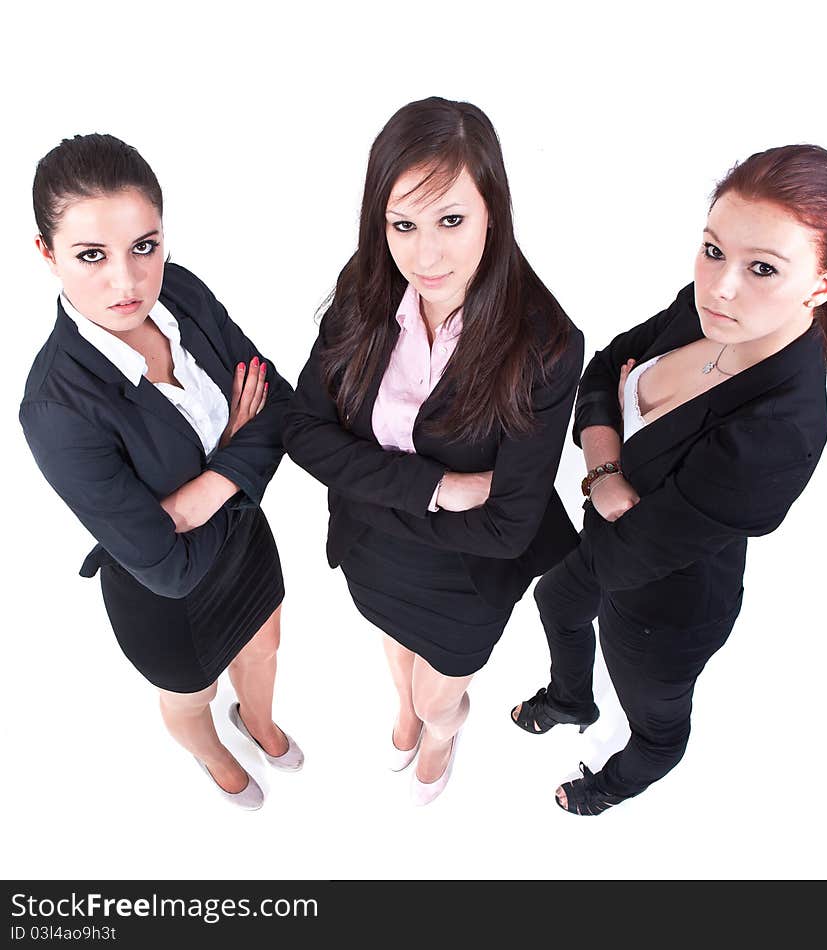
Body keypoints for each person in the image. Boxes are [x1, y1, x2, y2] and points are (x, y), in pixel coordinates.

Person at [511, 144, 827, 815]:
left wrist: (594, 463)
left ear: (821, 284)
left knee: (656, 720)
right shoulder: (706, 311)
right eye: (713, 250)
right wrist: (604, 475)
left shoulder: (782, 427)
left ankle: (615, 783)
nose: (720, 285)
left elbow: (642, 547)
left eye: (763, 269)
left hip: (665, 611)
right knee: (555, 602)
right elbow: (604, 368)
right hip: (608, 540)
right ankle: (572, 698)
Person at [283, 97, 584, 805]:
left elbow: (509, 524)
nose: (425, 254)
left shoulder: (546, 344)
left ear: (492, 213)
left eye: (452, 219)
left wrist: (365, 482)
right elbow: (301, 428)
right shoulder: (368, 285)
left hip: (465, 576)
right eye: (403, 224)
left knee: (438, 695)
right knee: (394, 650)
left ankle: (442, 730)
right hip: (374, 551)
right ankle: (404, 708)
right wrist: (436, 487)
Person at [20, 134, 303, 810]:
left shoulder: (179, 291)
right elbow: (167, 565)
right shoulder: (55, 408)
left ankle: (256, 722)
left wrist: (191, 502)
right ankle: (212, 754)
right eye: (92, 255)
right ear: (46, 253)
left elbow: (282, 406)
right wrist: (238, 444)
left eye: (143, 245)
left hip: (241, 540)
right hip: (164, 597)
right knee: (191, 694)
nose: (127, 281)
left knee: (266, 640)